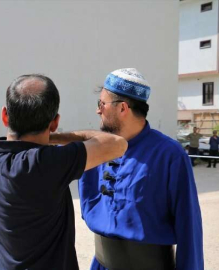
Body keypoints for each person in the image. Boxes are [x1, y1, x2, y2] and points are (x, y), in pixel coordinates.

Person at [0, 74, 127, 270]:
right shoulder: (49, 163)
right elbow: (117, 144)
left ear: (5, 116)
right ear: (55, 123)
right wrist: (52, 136)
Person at [78, 68, 204, 270]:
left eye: (101, 104)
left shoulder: (170, 154)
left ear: (122, 108)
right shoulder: (96, 149)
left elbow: (189, 226)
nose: (98, 110)